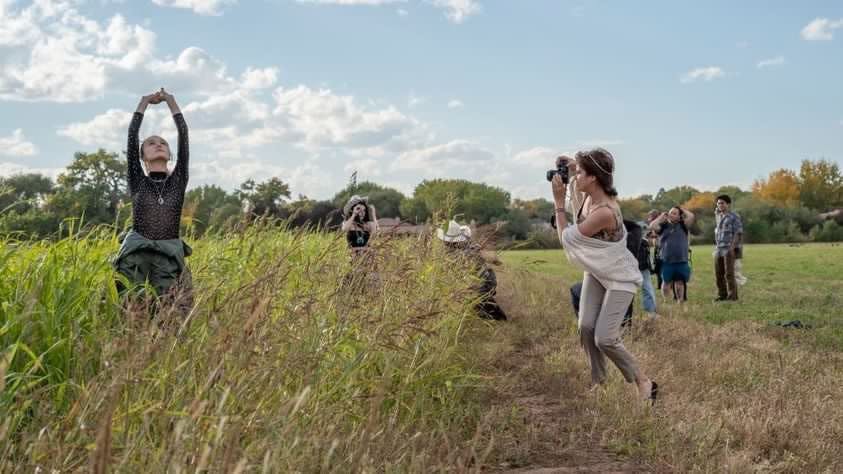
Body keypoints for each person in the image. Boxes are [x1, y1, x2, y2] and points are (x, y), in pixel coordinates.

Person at [551, 148, 657, 403]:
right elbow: (579, 173)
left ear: (594, 179)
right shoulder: (588, 196)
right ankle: (599, 382)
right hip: (599, 270)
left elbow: (567, 239)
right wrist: (571, 164)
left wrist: (557, 202)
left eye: (581, 174)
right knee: (586, 327)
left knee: (605, 337)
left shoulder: (605, 212)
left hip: (620, 276)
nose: (576, 177)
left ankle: (645, 382)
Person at [113, 89, 193, 315]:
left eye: (163, 143)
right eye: (151, 143)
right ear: (142, 157)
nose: (158, 144)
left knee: (168, 314)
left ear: (170, 154)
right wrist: (144, 102)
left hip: (168, 254)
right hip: (135, 253)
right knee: (132, 311)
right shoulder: (138, 179)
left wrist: (172, 101)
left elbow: (183, 134)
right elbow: (132, 134)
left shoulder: (178, 180)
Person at [437, 220, 507, 321]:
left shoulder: (463, 252)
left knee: (486, 311)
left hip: (481, 287)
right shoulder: (462, 249)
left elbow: (494, 262)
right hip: (475, 286)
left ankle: (499, 320)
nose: (442, 242)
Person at [648, 206, 695, 305]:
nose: (671, 215)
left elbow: (691, 216)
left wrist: (682, 208)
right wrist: (661, 217)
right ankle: (666, 301)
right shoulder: (663, 226)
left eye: (674, 213)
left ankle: (680, 302)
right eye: (670, 212)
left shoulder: (683, 225)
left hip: (682, 260)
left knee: (680, 282)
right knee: (666, 282)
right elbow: (652, 226)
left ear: (679, 216)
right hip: (667, 260)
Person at [714, 195, 743, 301]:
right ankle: (722, 295)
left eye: (722, 203)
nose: (720, 205)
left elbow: (738, 233)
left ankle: (732, 296)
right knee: (718, 273)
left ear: (728, 204)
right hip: (718, 249)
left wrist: (732, 247)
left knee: (729, 273)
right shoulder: (718, 216)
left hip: (728, 248)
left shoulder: (734, 216)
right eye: (718, 203)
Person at [646, 210, 663, 290]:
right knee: (657, 266)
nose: (649, 218)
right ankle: (660, 284)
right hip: (657, 248)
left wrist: (653, 235)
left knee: (661, 266)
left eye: (650, 216)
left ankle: (663, 284)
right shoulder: (653, 224)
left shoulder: (660, 224)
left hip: (662, 247)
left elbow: (657, 234)